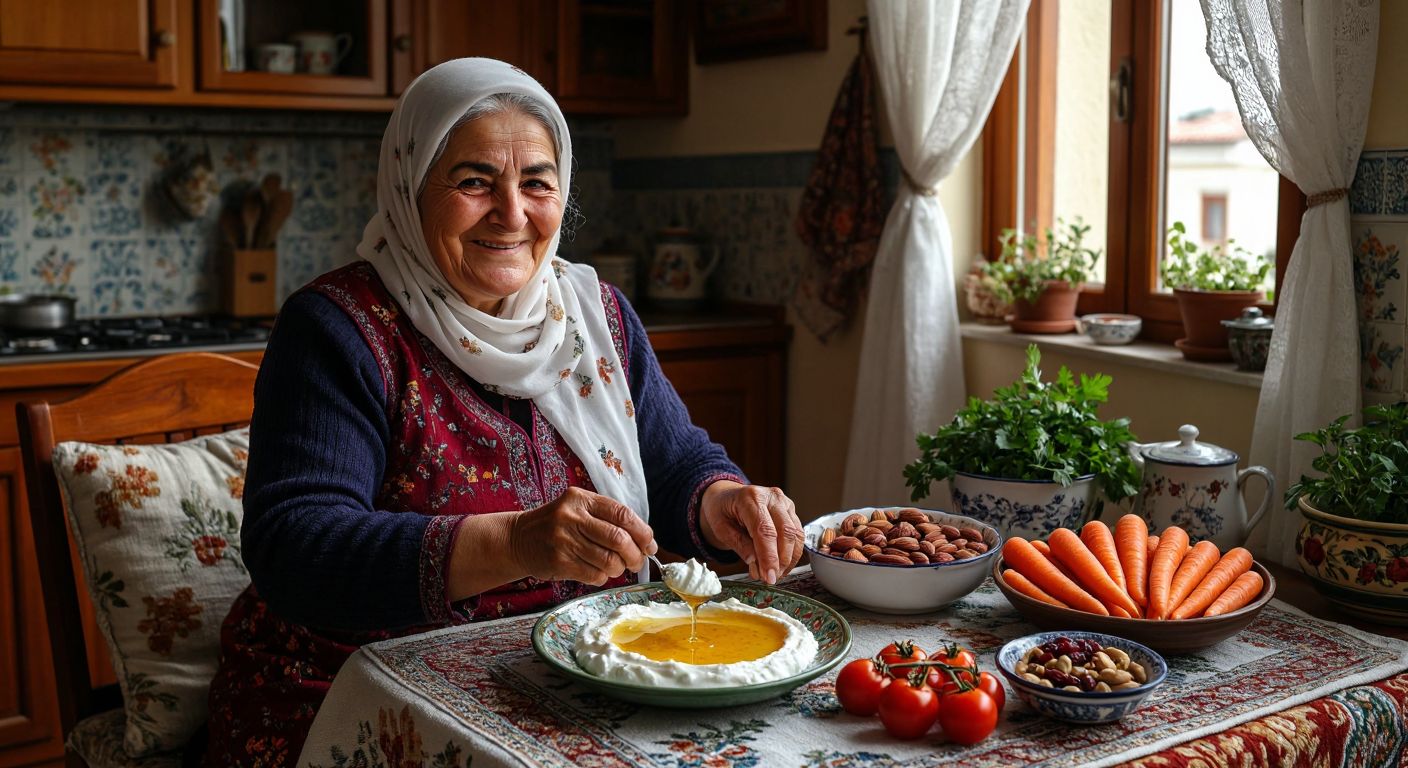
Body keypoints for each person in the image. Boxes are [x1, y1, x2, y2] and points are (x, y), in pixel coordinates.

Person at [202, 57, 803, 766]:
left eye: (537, 182)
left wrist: (723, 501)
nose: (512, 214)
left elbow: (673, 466)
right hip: (355, 690)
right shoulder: (340, 329)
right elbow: (296, 549)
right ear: (409, 186)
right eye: (473, 181)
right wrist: (514, 544)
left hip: (577, 675)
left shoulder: (596, 316)